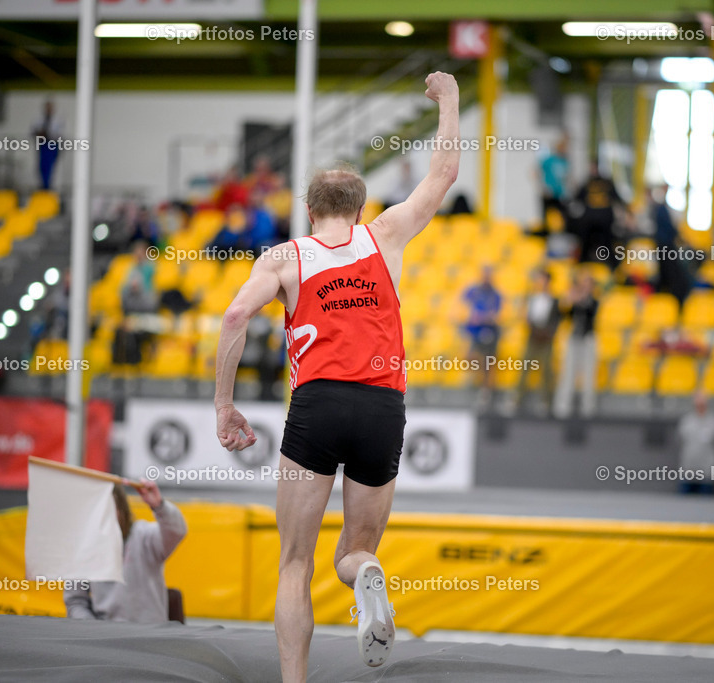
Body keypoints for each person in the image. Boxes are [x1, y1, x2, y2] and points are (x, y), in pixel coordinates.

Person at [213, 71, 460, 683]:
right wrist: (449, 100)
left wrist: (225, 406)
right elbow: (443, 176)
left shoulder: (285, 256)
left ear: (309, 210)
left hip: (317, 406)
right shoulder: (386, 235)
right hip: (383, 407)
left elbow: (236, 314)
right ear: (360, 207)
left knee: (294, 562)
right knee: (355, 551)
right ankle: (367, 578)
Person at [63, 479, 187, 623]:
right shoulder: (83, 548)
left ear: (121, 509)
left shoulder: (143, 536)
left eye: (108, 508)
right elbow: (75, 602)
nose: (103, 516)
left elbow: (177, 531)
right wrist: (94, 629)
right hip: (106, 636)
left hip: (149, 634)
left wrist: (159, 506)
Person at [514, 269, 560, 415]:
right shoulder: (532, 298)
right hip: (533, 336)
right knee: (525, 367)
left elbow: (556, 319)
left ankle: (546, 401)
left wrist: (548, 332)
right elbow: (527, 317)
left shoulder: (554, 300)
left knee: (546, 369)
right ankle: (517, 399)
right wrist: (534, 329)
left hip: (546, 338)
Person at [553, 270, 598, 418]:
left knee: (588, 375)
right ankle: (562, 407)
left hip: (588, 339)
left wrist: (580, 299)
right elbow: (565, 315)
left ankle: (588, 408)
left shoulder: (593, 301)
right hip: (574, 338)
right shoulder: (576, 300)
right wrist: (570, 300)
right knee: (568, 373)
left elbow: (591, 312)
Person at [574, 159, 626, 268]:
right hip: (590, 221)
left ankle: (612, 265)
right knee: (585, 241)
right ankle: (582, 262)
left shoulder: (607, 183)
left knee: (608, 243)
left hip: (604, 220)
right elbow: (576, 198)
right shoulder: (587, 183)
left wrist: (627, 211)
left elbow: (617, 198)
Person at [463, 265, 503, 407]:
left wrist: (484, 317)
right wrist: (471, 316)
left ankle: (485, 391)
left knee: (488, 363)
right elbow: (461, 307)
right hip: (473, 332)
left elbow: (498, 315)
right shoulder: (473, 290)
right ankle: (472, 381)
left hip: (490, 332)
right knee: (471, 356)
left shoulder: (496, 294)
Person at [676, 391, 714, 495]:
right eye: (697, 404)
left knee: (705, 504)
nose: (700, 406)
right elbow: (679, 442)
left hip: (707, 470)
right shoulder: (687, 421)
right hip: (689, 469)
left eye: (702, 404)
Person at [32, 100, 64, 190]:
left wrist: (48, 134)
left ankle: (49, 185)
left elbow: (58, 133)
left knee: (51, 166)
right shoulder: (39, 119)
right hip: (43, 144)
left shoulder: (58, 120)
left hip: (52, 143)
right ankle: (43, 185)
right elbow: (33, 130)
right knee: (42, 166)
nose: (48, 109)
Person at [538, 134, 570, 225]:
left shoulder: (565, 161)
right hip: (549, 192)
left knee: (564, 215)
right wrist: (543, 187)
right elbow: (536, 173)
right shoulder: (549, 160)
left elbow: (565, 177)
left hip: (559, 193)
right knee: (546, 217)